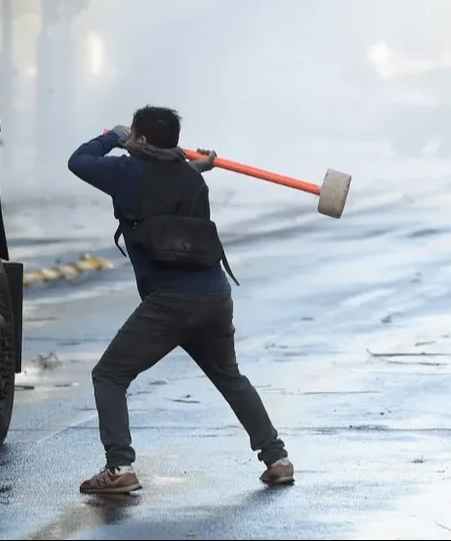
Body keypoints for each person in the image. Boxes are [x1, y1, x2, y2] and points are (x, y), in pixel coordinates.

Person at [66, 105, 294, 495]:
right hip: (214, 294)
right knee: (230, 378)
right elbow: (170, 190)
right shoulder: (192, 182)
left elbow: (78, 161)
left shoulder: (125, 171)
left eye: (133, 134)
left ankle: (119, 467)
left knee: (109, 375)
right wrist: (194, 169)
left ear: (138, 139)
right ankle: (277, 459)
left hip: (171, 301)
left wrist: (112, 138)